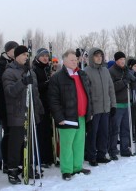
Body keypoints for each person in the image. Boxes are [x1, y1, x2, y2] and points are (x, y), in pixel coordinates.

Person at [2, 45, 44, 184]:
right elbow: (10, 92)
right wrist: (22, 82)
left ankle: (29, 166)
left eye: (27, 55)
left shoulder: (30, 72)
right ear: (16, 56)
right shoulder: (9, 72)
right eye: (23, 54)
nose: (26, 57)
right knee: (16, 143)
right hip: (17, 113)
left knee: (31, 141)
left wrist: (39, 109)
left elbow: (35, 93)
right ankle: (12, 170)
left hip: (31, 112)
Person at [49, 49, 92, 181]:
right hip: (67, 117)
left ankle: (77, 167)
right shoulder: (57, 77)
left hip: (81, 115)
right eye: (72, 60)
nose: (75, 62)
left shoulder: (82, 74)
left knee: (79, 143)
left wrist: (90, 112)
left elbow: (88, 94)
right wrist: (59, 117)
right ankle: (67, 170)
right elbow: (53, 99)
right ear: (64, 61)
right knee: (67, 145)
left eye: (76, 59)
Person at [84, 48, 116, 166]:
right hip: (94, 109)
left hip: (106, 108)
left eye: (100, 56)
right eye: (96, 56)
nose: (99, 58)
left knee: (104, 132)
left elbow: (111, 89)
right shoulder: (86, 71)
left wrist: (113, 105)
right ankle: (91, 156)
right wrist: (89, 109)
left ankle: (101, 154)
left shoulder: (105, 70)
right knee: (93, 133)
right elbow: (86, 92)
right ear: (92, 57)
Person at [0, 40, 18, 173]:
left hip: (15, 106)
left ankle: (13, 161)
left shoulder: (16, 63)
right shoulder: (1, 64)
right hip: (4, 105)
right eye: (13, 49)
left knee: (14, 134)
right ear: (8, 50)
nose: (15, 52)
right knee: (7, 133)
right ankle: (6, 162)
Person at [108, 52, 136, 158]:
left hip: (127, 105)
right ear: (116, 60)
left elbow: (135, 85)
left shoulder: (126, 70)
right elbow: (112, 87)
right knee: (115, 129)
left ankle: (124, 149)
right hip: (117, 104)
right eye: (120, 59)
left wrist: (133, 80)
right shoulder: (111, 71)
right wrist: (124, 82)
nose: (123, 61)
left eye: (124, 59)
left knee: (126, 128)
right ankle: (112, 150)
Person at [32, 48, 54, 167]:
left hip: (49, 103)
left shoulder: (47, 68)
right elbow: (36, 87)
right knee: (41, 132)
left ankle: (48, 157)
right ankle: (42, 157)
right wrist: (48, 82)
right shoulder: (35, 69)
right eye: (43, 56)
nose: (45, 58)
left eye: (47, 56)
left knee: (48, 132)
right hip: (40, 104)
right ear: (38, 57)